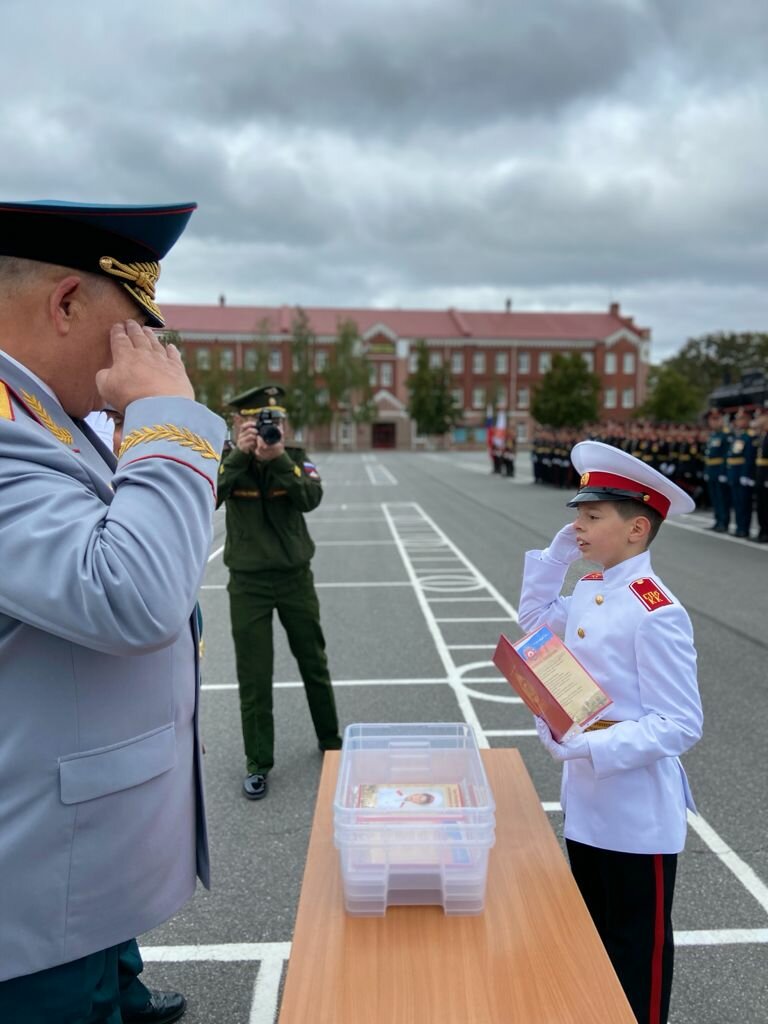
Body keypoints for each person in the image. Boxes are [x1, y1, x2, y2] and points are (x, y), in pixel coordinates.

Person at [0, 200, 226, 1024]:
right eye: (134, 326)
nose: (151, 352)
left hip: (75, 855)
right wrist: (171, 420)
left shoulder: (43, 417)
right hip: (27, 903)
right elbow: (130, 594)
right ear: (65, 304)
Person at [518, 441, 703, 1024]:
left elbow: (680, 723)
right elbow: (532, 626)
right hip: (587, 802)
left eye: (592, 516)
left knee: (634, 958)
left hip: (634, 815)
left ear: (636, 528)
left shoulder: (655, 610)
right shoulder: (594, 591)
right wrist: (552, 562)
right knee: (590, 946)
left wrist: (589, 745)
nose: (577, 526)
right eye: (579, 514)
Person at [216, 384, 342, 800]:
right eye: (258, 421)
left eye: (275, 421)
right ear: (238, 423)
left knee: (313, 661)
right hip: (248, 583)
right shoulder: (226, 462)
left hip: (294, 578)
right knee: (254, 675)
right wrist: (239, 454)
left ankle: (331, 743)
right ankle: (258, 763)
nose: (270, 428)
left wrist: (280, 458)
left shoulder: (296, 459)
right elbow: (208, 496)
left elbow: (311, 498)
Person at [725, 407, 757, 538]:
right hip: (734, 473)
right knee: (737, 502)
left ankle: (744, 528)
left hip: (742, 473)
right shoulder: (738, 435)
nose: (738, 421)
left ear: (749, 420)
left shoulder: (750, 436)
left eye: (741, 419)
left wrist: (745, 474)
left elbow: (749, 458)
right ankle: (739, 527)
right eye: (737, 419)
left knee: (744, 503)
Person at [704, 408, 731, 532]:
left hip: (720, 470)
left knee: (722, 498)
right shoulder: (713, 435)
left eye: (716, 419)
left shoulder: (726, 435)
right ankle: (717, 520)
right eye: (711, 420)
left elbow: (726, 456)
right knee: (714, 498)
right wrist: (706, 471)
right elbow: (709, 455)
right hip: (711, 470)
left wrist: (723, 472)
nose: (713, 422)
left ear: (722, 420)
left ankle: (724, 522)